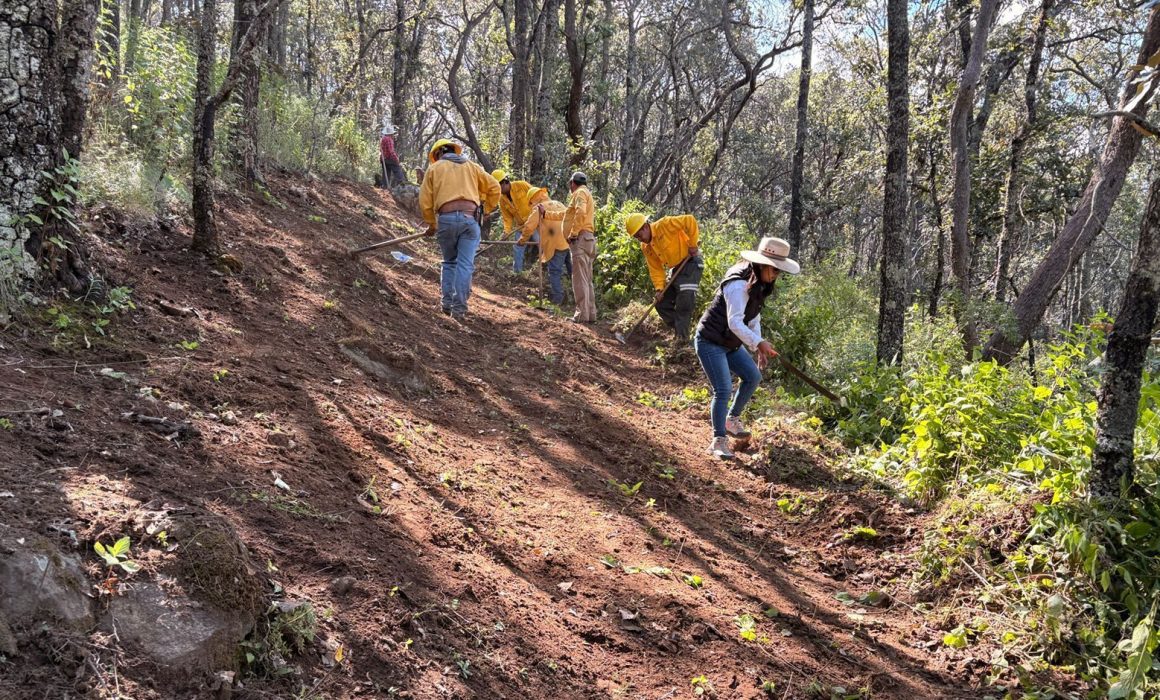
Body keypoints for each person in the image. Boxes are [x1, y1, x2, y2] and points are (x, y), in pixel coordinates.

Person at [693, 237, 800, 460]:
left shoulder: (760, 283)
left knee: (752, 376)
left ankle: (731, 419)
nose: (776, 275)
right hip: (710, 341)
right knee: (723, 389)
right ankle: (718, 440)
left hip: (730, 343)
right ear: (762, 264)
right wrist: (758, 343)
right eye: (774, 270)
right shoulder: (738, 284)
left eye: (779, 271)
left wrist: (757, 344)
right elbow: (734, 322)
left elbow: (753, 317)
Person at [418, 139, 501, 321]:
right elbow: (495, 187)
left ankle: (447, 305)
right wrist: (486, 211)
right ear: (454, 151)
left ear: (438, 154)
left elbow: (425, 200)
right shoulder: (472, 166)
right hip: (470, 221)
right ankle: (459, 309)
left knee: (449, 263)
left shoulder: (434, 169)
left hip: (446, 220)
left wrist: (432, 224)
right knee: (465, 265)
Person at [625, 213, 704, 342]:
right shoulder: (646, 247)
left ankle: (682, 339)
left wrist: (693, 244)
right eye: (636, 237)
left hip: (690, 263)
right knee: (661, 303)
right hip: (676, 270)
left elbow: (689, 220)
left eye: (639, 235)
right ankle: (681, 331)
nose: (639, 239)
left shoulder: (664, 225)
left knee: (684, 300)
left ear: (645, 227)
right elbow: (655, 269)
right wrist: (659, 289)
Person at [517, 187, 570, 305]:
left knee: (555, 271)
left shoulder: (538, 208)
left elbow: (529, 227)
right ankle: (576, 297)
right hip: (568, 241)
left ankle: (558, 298)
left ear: (533, 199)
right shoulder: (558, 203)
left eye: (530, 202)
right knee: (572, 271)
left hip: (555, 243)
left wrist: (522, 239)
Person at [562, 171, 596, 323]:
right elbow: (567, 214)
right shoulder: (587, 193)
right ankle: (590, 314)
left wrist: (573, 233)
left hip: (580, 239)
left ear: (572, 183)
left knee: (579, 279)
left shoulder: (579, 193)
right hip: (588, 239)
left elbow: (580, 212)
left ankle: (581, 315)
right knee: (587, 279)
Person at [492, 169, 537, 273]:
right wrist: (506, 232)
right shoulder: (502, 199)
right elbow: (507, 218)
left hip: (535, 223)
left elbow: (538, 197)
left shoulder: (522, 185)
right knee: (518, 247)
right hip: (520, 227)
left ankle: (546, 272)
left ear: (504, 182)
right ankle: (517, 274)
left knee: (542, 244)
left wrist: (535, 215)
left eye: (497, 186)